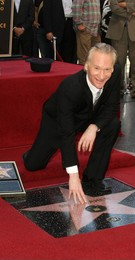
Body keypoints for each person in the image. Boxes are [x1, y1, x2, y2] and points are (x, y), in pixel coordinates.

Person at [23, 43, 121, 204]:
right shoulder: (70, 86)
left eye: (107, 69)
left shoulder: (115, 73)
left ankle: (92, 178)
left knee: (113, 124)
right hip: (58, 119)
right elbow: (66, 132)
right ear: (86, 66)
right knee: (33, 164)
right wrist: (73, 175)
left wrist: (94, 126)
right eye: (96, 68)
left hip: (89, 114)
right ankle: (30, 155)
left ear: (112, 68)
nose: (102, 75)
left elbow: (111, 107)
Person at [106, 0, 135, 100]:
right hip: (118, 30)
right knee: (118, 62)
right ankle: (118, 89)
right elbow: (114, 7)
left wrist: (125, 5)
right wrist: (132, 11)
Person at [72, 0, 101, 65]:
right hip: (85, 29)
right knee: (84, 57)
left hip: (95, 29)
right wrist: (79, 23)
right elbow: (76, 7)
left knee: (96, 55)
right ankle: (84, 74)